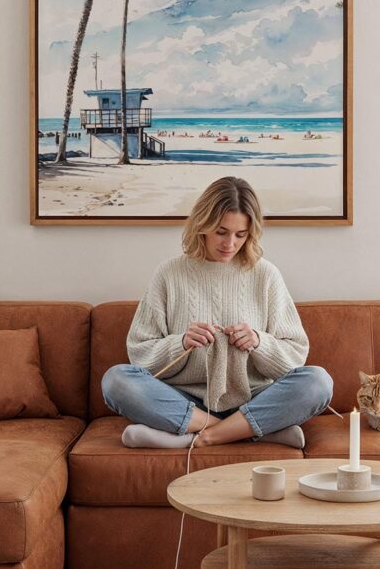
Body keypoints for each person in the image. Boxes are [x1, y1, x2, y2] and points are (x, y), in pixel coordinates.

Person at [101, 176, 333, 449]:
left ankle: (199, 437)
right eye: (221, 232)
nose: (230, 244)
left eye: (240, 234)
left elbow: (294, 357)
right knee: (116, 380)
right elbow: (140, 354)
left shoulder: (265, 274)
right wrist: (181, 343)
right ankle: (246, 431)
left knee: (318, 382)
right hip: (185, 400)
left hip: (254, 399)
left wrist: (259, 342)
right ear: (203, 225)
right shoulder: (169, 273)